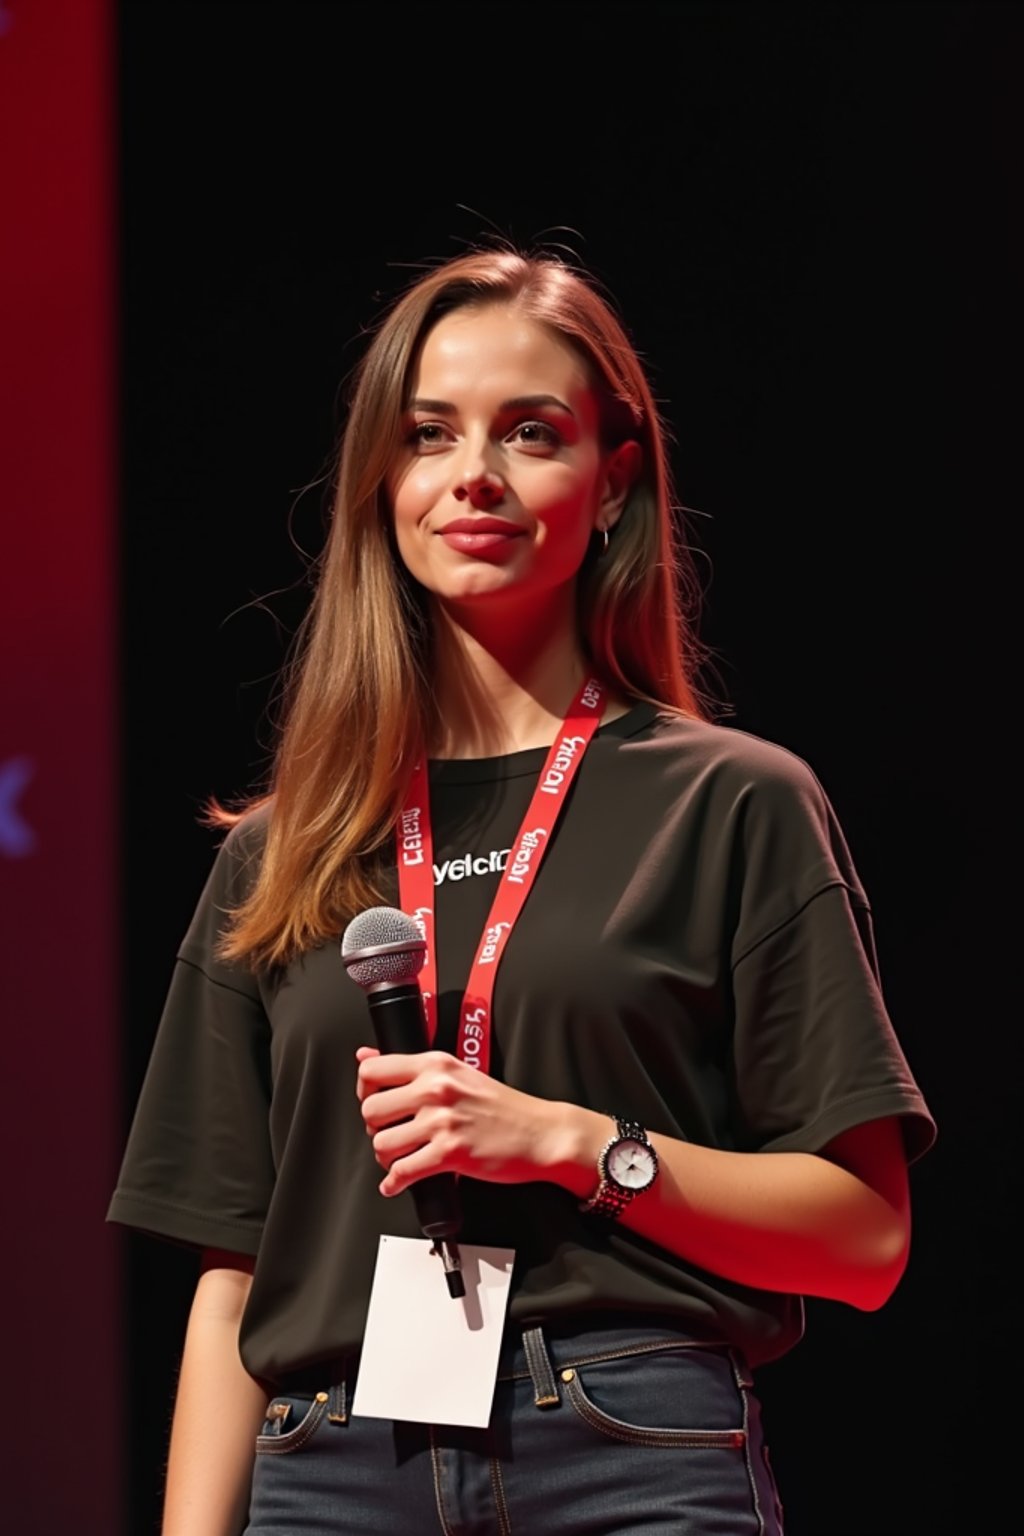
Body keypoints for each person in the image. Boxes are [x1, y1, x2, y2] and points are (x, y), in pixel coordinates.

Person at [108, 244, 936, 1536]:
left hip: (630, 1448)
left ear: (613, 483)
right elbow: (234, 1283)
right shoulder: (280, 853)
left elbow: (864, 1239)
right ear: (384, 483)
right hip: (332, 1465)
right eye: (429, 435)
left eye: (530, 432)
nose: (473, 476)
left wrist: (569, 1144)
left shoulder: (733, 803)